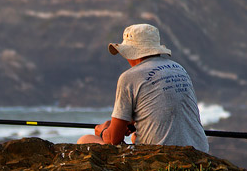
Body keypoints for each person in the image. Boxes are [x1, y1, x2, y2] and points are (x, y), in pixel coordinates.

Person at [77, 23, 209, 152]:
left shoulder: (129, 77)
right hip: (199, 150)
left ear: (130, 53)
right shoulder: (179, 69)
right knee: (135, 137)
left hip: (162, 156)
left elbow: (113, 140)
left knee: (86, 139)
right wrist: (135, 122)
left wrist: (103, 130)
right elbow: (168, 106)